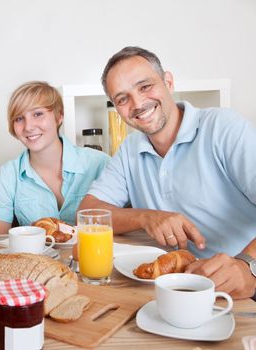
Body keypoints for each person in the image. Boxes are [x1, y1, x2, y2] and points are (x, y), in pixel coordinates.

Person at [79, 46, 256, 299]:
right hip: (174, 288)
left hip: (242, 286)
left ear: (168, 82)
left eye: (145, 86)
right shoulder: (129, 149)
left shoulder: (223, 127)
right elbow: (88, 212)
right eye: (122, 99)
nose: (138, 104)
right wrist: (147, 217)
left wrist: (248, 266)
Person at [0, 81, 110, 234]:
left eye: (38, 114)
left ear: (59, 116)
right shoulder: (8, 174)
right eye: (19, 118)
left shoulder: (100, 163)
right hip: (36, 258)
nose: (28, 127)